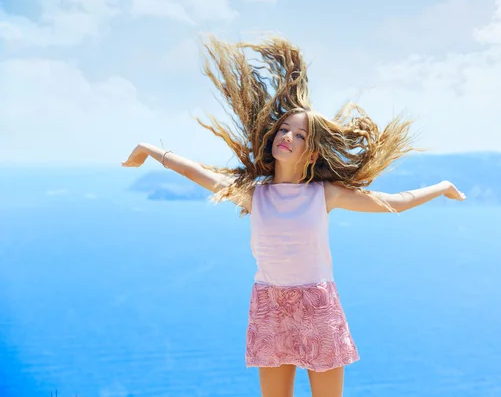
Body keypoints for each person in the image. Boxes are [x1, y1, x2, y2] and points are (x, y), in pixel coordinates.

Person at [121, 34, 466, 397]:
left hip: (316, 303)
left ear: (312, 152)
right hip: (269, 304)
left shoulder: (324, 194)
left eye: (298, 134)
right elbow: (195, 172)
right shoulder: (254, 195)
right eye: (283, 129)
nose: (286, 136)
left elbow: (394, 201)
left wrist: (442, 186)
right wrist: (149, 149)